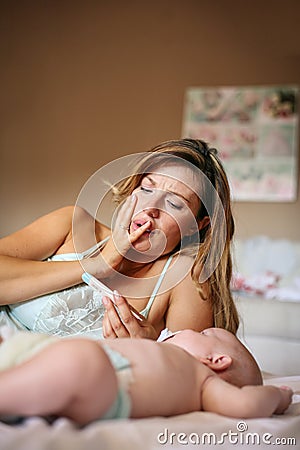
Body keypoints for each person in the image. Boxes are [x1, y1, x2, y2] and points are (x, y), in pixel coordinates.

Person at [0, 139, 238, 340]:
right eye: (146, 189)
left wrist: (148, 350)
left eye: (174, 203)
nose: (150, 208)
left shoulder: (184, 277)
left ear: (196, 225)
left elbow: (192, 373)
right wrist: (99, 263)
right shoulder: (72, 224)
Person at [0, 325, 293, 426]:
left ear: (216, 360)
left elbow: (246, 405)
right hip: (50, 355)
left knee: (83, 361)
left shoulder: (205, 383)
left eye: (204, 333)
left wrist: (277, 397)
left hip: (107, 385)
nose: (188, 330)